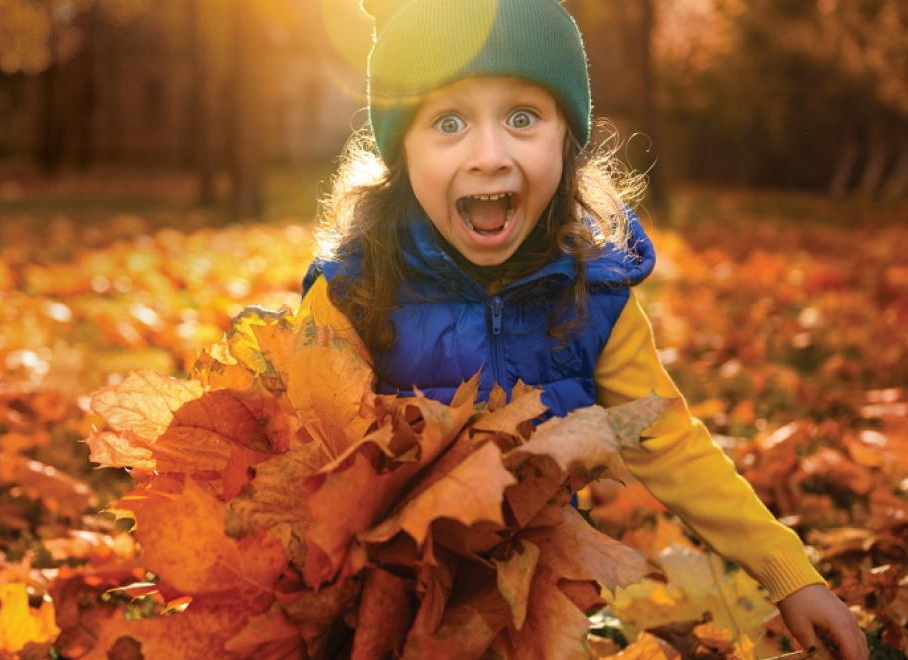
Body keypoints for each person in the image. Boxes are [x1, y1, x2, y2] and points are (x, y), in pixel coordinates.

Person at [296, 0, 869, 657]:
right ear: (402, 150)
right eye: (448, 121)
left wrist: (788, 575)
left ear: (567, 137)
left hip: (538, 599)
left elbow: (669, 442)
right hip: (385, 598)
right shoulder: (355, 292)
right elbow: (299, 462)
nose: (489, 154)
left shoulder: (594, 297)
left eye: (522, 117)